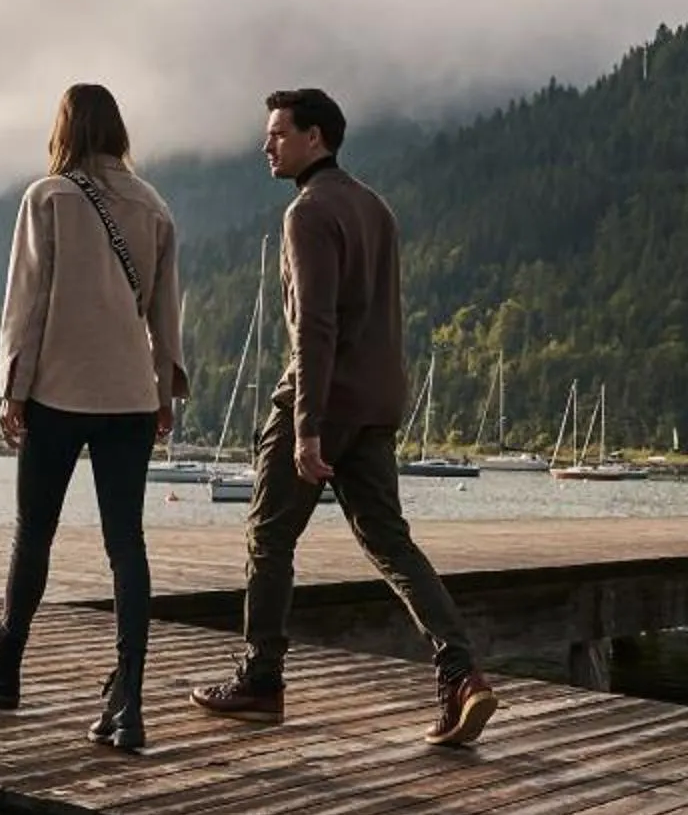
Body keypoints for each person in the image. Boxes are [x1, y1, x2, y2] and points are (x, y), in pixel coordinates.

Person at [189, 87, 495, 747]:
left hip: (322, 401)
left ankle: (261, 681)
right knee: (391, 543)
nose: (265, 145)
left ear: (315, 138)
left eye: (278, 134)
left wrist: (304, 425)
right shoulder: (375, 209)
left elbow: (316, 327)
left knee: (269, 540)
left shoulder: (308, 212)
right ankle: (461, 672)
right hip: (377, 402)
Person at [0, 83, 185, 753]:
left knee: (35, 532)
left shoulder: (48, 197)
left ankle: (7, 668)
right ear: (117, 131)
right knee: (126, 545)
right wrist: (166, 392)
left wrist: (11, 388)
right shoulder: (156, 205)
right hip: (131, 398)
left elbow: (26, 302)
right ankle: (129, 699)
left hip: (58, 391)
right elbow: (167, 310)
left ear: (65, 129)